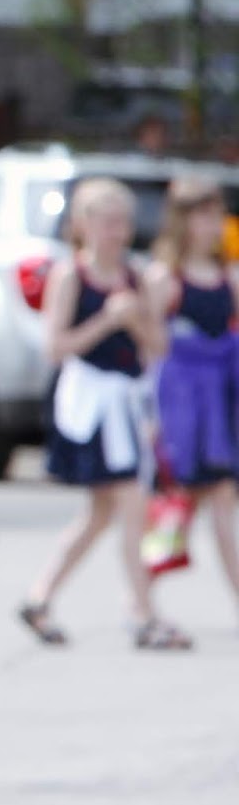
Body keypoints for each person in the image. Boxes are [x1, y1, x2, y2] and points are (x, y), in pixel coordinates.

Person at [19, 177, 185, 649]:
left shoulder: (135, 278)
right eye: (109, 222)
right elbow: (56, 347)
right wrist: (106, 320)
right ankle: (143, 613)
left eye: (125, 223)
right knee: (133, 506)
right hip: (90, 406)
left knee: (100, 515)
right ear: (85, 225)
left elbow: (158, 345)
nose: (119, 232)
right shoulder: (71, 276)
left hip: (127, 405)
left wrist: (135, 318)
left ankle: (41, 596)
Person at [144, 176, 239, 620]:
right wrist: (153, 421)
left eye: (215, 213)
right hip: (185, 415)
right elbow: (153, 355)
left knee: (210, 501)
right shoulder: (166, 280)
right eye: (201, 214)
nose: (211, 224)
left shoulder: (229, 278)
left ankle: (139, 593)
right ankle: (138, 593)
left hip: (221, 411)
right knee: (189, 506)